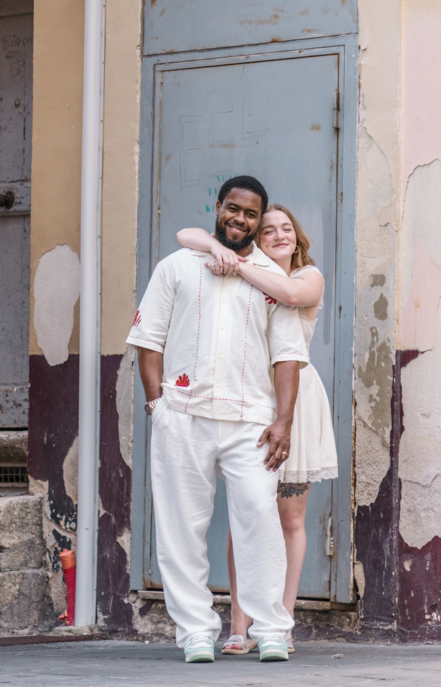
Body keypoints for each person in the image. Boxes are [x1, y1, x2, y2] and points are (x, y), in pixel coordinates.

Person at [127, 175, 308, 664]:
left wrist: (284, 421)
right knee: (181, 528)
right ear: (219, 207)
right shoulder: (179, 267)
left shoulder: (270, 277)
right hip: (182, 415)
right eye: (234, 209)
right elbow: (148, 340)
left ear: (257, 219)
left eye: (251, 214)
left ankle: (271, 628)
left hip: (251, 420)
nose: (240, 219)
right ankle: (195, 632)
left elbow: (287, 356)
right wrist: (155, 405)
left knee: (259, 521)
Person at [177, 204, 338, 656]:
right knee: (245, 515)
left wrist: (240, 263)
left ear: (297, 236)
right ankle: (238, 624)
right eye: (270, 230)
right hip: (248, 401)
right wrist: (215, 245)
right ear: (257, 238)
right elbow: (184, 233)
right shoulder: (239, 267)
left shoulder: (307, 277)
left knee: (289, 519)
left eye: (288, 228)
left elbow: (288, 294)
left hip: (295, 405)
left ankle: (280, 622)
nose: (281, 235)